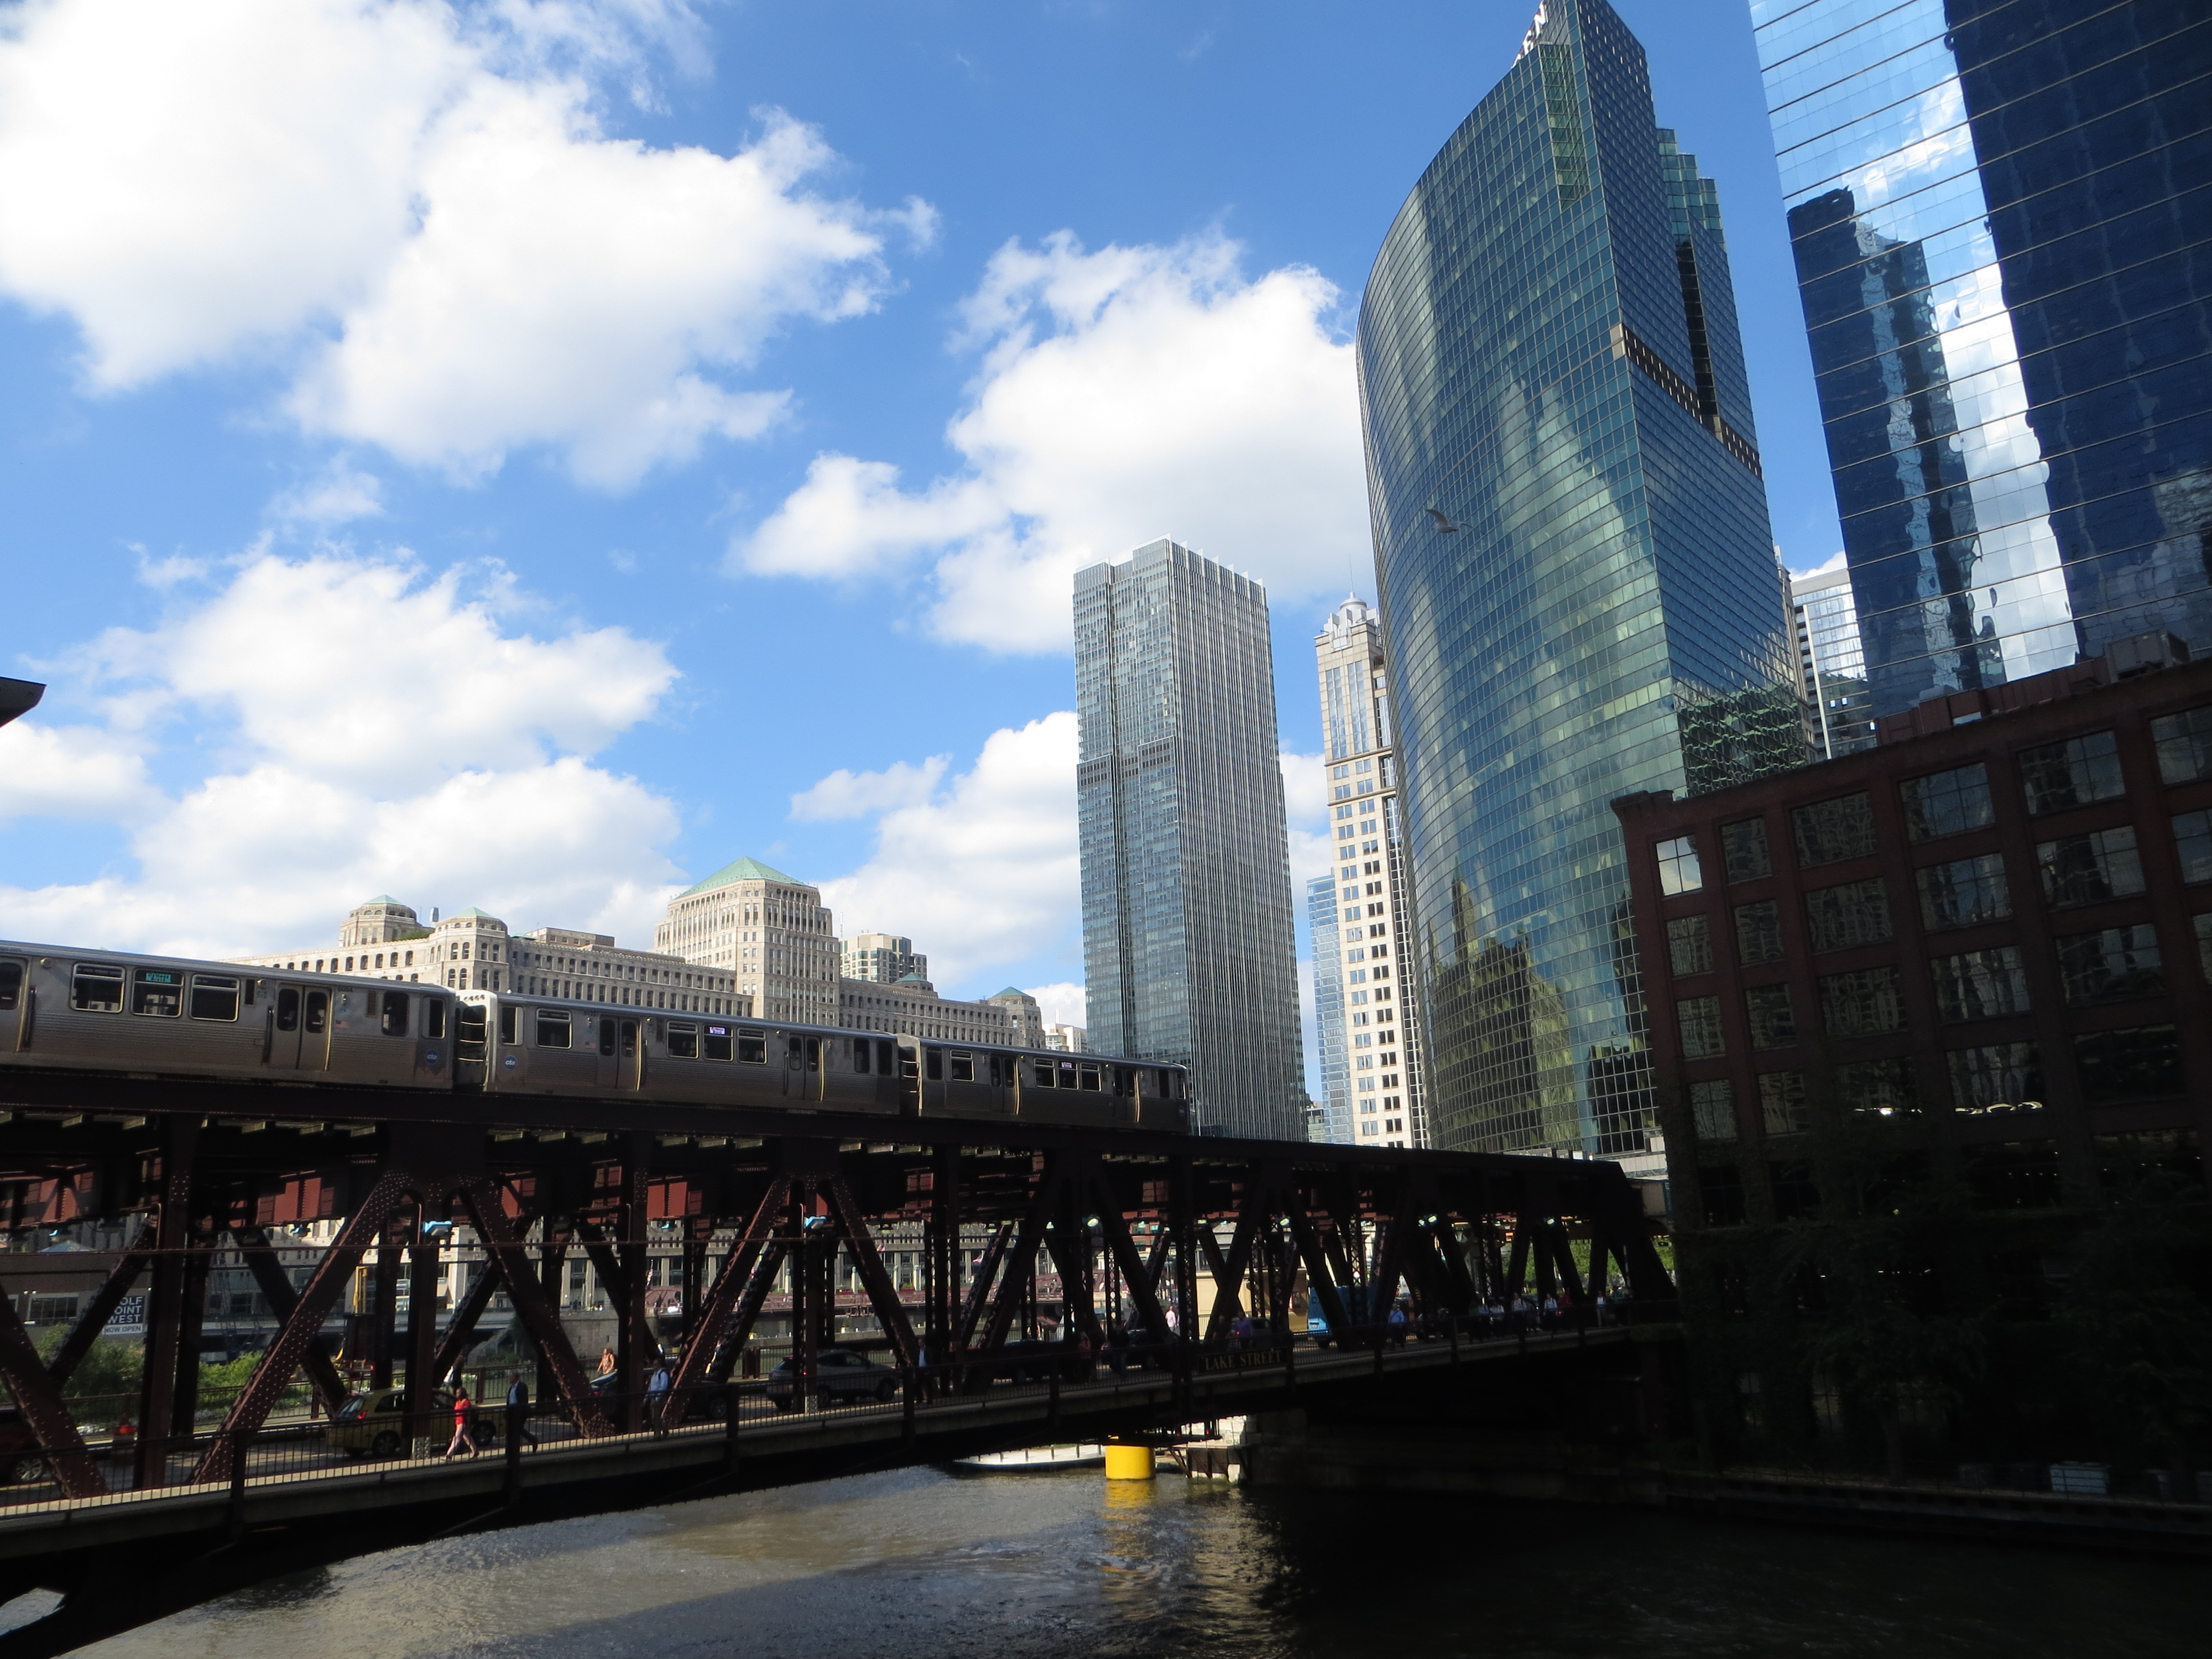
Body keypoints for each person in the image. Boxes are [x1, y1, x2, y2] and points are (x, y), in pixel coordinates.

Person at [444, 1384, 478, 1458]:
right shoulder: (457, 1402)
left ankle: (449, 1455)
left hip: (463, 1422)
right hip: (458, 1422)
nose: (457, 1394)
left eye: (459, 1393)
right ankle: (475, 1451)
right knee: (467, 1438)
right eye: (456, 1393)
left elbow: (468, 1413)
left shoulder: (466, 1402)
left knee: (457, 1438)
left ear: (463, 1393)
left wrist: (468, 1423)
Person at [507, 1375, 538, 1446]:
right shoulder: (512, 1388)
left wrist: (520, 1411)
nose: (508, 1378)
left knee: (517, 1429)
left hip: (519, 1412)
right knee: (516, 1430)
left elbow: (523, 1401)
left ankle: (533, 1440)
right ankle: (533, 1440)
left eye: (510, 1376)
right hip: (511, 1412)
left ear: (515, 1377)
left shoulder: (522, 1386)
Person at [645, 1359, 672, 1431]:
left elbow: (663, 1387)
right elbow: (650, 1387)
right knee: (655, 1416)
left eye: (655, 1365)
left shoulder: (662, 1375)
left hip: (659, 1397)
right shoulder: (654, 1375)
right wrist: (646, 1398)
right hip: (653, 1397)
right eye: (653, 1365)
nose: (654, 1367)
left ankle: (658, 1433)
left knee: (656, 1416)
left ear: (660, 1365)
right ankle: (664, 1429)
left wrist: (658, 1398)